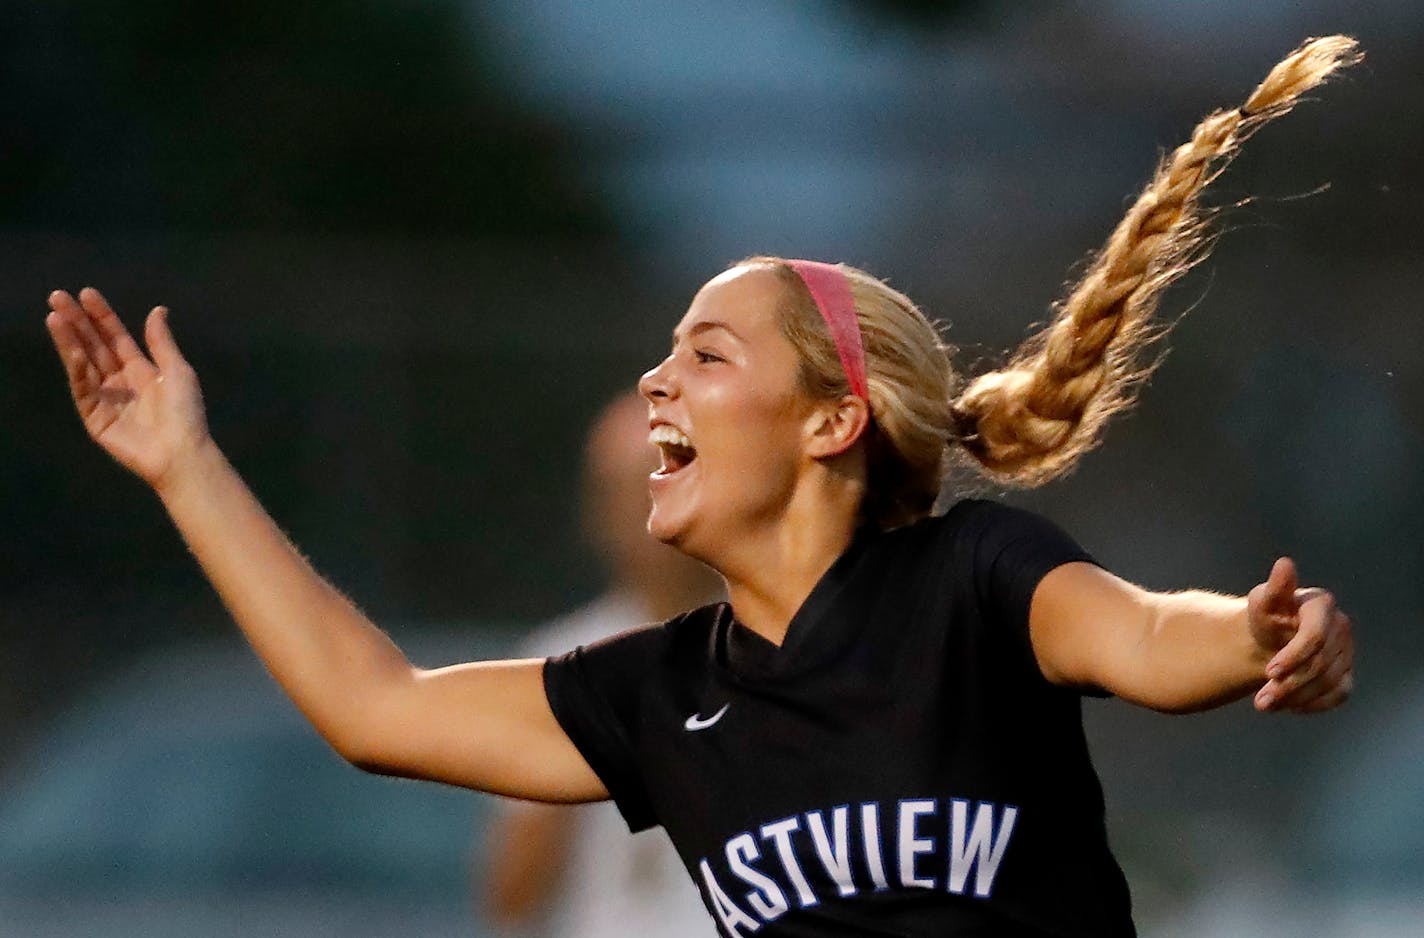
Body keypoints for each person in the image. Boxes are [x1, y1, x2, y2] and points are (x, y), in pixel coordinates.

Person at [44, 36, 1358, 938]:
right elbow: (372, 707)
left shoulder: (975, 583)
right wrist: (185, 466)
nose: (658, 381)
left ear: (833, 417)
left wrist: (1253, 633)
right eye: (664, 351)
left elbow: (1140, 631)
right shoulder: (661, 691)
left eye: (707, 353)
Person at [480, 391, 718, 936]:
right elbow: (511, 899)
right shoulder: (556, 659)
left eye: (668, 475)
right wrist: (573, 742)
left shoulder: (778, 640)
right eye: (630, 490)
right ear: (599, 512)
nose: (650, 507)